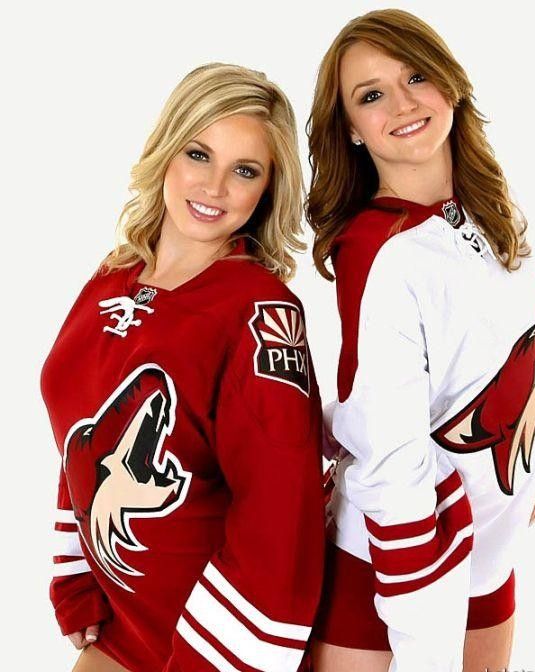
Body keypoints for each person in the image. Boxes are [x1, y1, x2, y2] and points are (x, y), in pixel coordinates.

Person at [41, 62, 325, 672]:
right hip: (121, 626)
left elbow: (282, 514)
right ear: (167, 149)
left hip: (212, 643)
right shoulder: (112, 275)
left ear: (268, 189)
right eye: (199, 154)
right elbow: (83, 434)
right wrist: (76, 573)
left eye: (245, 170)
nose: (215, 186)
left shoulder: (260, 311)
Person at [305, 9, 535, 672]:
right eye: (371, 95)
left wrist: (522, 482)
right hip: (394, 567)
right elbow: (391, 452)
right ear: (350, 128)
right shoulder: (377, 248)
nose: (403, 103)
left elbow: (515, 358)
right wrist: (423, 633)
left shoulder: (495, 209)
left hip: (490, 551)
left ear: (449, 83)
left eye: (416, 76)